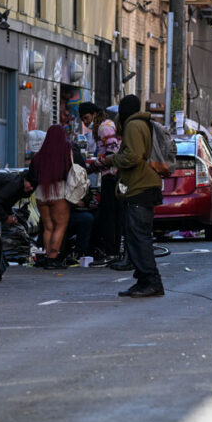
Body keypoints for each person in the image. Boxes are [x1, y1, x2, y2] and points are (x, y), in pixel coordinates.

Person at [105, 94, 164, 297]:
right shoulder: (143, 123)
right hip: (144, 187)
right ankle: (142, 280)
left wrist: (112, 159)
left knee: (139, 238)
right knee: (137, 237)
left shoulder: (133, 126)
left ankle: (151, 281)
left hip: (140, 188)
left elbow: (133, 156)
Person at [26, 125, 73, 269]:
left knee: (47, 227)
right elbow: (69, 172)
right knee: (60, 226)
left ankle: (47, 256)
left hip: (41, 194)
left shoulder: (40, 155)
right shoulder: (65, 153)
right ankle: (53, 258)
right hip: (58, 192)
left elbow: (32, 176)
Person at [80, 102, 123, 260]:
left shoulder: (104, 127)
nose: (86, 122)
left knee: (110, 216)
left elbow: (112, 153)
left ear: (95, 114)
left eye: (87, 118)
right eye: (83, 120)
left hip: (111, 176)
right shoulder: (105, 127)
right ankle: (114, 250)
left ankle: (112, 250)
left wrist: (93, 165)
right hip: (109, 175)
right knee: (113, 215)